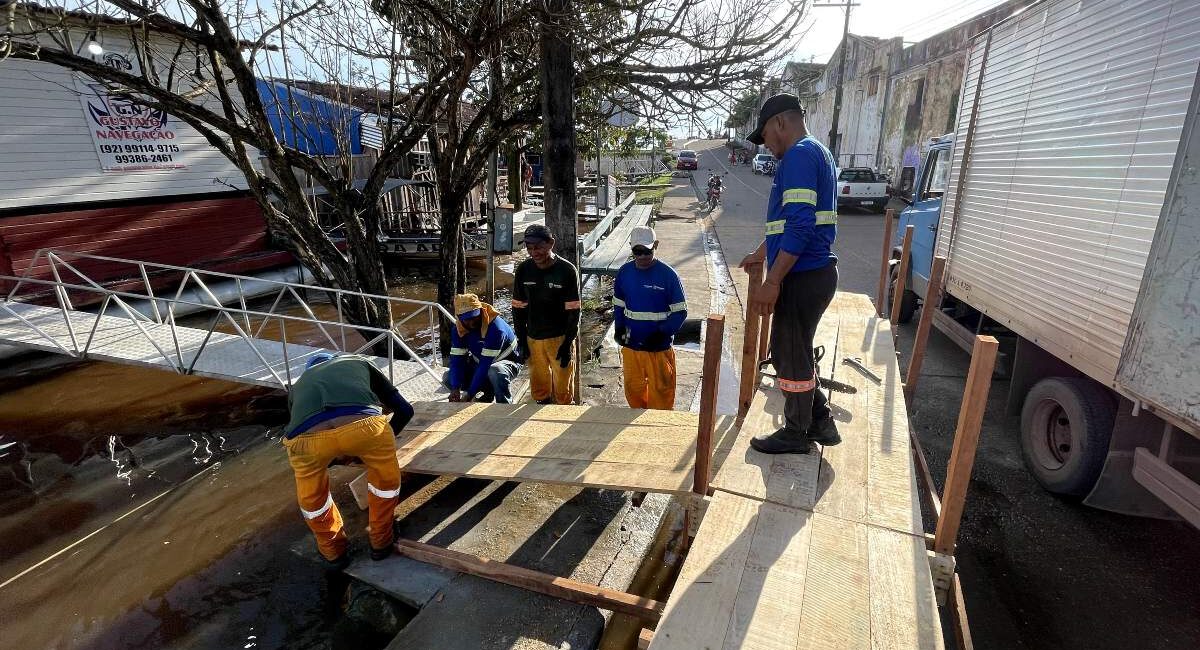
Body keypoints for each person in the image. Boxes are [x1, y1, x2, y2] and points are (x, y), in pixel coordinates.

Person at [738, 93, 840, 455]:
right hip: (812, 271)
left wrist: (772, 281)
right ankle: (820, 421)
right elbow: (786, 224)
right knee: (788, 352)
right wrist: (761, 252)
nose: (765, 143)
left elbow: (800, 225)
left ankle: (798, 432)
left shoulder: (798, 155)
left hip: (803, 274)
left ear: (780, 122)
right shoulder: (816, 152)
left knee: (790, 355)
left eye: (764, 134)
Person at [282, 352, 415, 567]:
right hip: (363, 427)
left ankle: (333, 553)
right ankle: (381, 542)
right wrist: (375, 445)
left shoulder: (297, 386)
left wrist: (338, 456)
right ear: (334, 359)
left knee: (313, 500)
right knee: (385, 483)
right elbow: (405, 410)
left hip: (306, 442)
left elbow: (302, 427)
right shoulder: (357, 361)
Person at [613, 226, 687, 409]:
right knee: (633, 388)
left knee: (662, 391)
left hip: (658, 348)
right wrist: (619, 328)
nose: (642, 257)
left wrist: (662, 333)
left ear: (656, 245)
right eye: (637, 252)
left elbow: (680, 312)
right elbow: (619, 304)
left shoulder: (669, 275)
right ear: (631, 249)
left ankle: (658, 426)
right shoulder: (624, 273)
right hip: (632, 347)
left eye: (647, 251)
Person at [511, 224, 580, 404]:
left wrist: (567, 344)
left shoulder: (567, 270)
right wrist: (521, 340)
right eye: (529, 247)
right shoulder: (523, 270)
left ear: (551, 243)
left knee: (563, 390)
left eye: (539, 247)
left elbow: (574, 312)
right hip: (533, 339)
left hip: (559, 338)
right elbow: (518, 309)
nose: (534, 252)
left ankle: (565, 415)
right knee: (540, 390)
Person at [446, 293, 523, 403]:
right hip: (480, 362)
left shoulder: (496, 329)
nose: (471, 322)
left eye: (474, 316)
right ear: (459, 317)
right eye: (466, 319)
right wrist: (455, 388)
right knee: (448, 378)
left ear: (481, 310)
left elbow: (485, 365)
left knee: (495, 371)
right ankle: (488, 393)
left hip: (507, 362)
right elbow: (456, 360)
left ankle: (504, 405)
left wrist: (470, 394)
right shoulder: (458, 330)